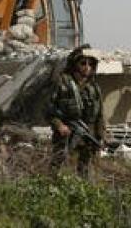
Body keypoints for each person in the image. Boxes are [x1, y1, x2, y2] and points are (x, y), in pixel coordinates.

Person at [48, 45, 105, 177]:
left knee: (85, 172)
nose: (87, 67)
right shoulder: (63, 84)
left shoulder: (94, 88)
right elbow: (49, 110)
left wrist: (101, 136)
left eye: (90, 64)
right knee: (58, 169)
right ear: (75, 64)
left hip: (88, 136)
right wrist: (60, 126)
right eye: (83, 63)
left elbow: (100, 116)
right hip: (66, 135)